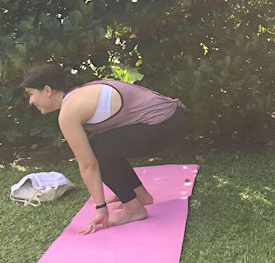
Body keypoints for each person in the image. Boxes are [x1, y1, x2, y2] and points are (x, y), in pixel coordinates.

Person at [22, 63, 187, 235]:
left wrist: (101, 210)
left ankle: (133, 209)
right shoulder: (81, 94)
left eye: (31, 94)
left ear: (47, 90)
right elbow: (114, 141)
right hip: (174, 120)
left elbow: (88, 165)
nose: (31, 101)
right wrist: (122, 187)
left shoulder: (69, 112)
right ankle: (139, 196)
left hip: (165, 124)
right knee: (102, 144)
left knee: (96, 148)